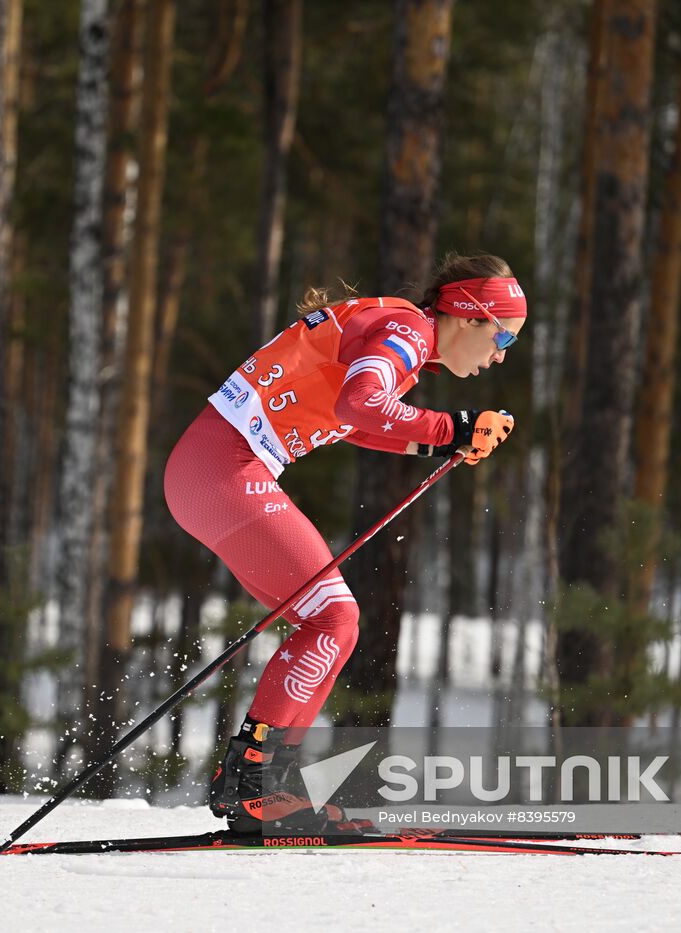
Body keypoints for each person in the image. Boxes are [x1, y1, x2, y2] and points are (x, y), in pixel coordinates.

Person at [162, 252, 526, 833]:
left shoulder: (403, 334)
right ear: (467, 315)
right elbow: (363, 403)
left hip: (210, 470)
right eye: (502, 334)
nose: (501, 354)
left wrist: (439, 443)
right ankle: (251, 788)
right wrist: (451, 427)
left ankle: (257, 786)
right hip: (225, 469)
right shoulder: (408, 330)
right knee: (334, 617)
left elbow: (351, 418)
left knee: (328, 620)